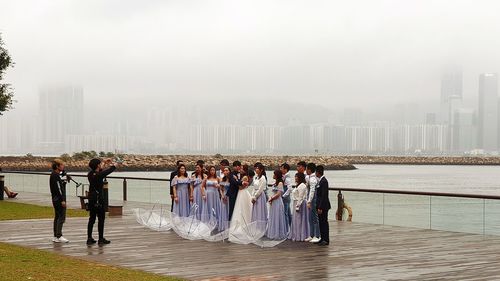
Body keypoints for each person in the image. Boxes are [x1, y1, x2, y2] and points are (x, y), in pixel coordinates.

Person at [87, 158, 118, 245]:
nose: (101, 165)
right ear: (97, 165)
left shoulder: (90, 174)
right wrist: (114, 166)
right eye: (100, 164)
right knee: (101, 219)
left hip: (91, 199)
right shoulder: (98, 175)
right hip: (98, 200)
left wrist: (104, 162)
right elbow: (105, 172)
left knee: (91, 219)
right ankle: (101, 239)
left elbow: (100, 171)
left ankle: (89, 238)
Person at [50, 159, 69, 243]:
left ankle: (56, 236)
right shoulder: (55, 175)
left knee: (57, 217)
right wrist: (62, 200)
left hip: (55, 199)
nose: (63, 166)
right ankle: (59, 235)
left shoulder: (54, 174)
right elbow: (58, 189)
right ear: (57, 166)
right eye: (61, 165)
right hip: (58, 199)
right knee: (61, 217)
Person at [266, 169, 288, 240]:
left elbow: (279, 194)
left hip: (277, 201)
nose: (273, 175)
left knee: (277, 216)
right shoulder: (275, 182)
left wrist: (272, 198)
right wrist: (271, 198)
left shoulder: (280, 183)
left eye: (274, 174)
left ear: (277, 175)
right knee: (273, 216)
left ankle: (278, 233)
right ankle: (273, 232)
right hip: (273, 201)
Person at [288, 172, 309, 241]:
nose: (295, 178)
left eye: (297, 176)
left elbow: (301, 197)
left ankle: (300, 235)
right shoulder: (298, 185)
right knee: (296, 219)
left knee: (299, 219)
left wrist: (298, 206)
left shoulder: (302, 185)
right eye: (295, 176)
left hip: (300, 203)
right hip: (295, 202)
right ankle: (295, 234)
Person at [315, 165, 331, 246]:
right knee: (321, 222)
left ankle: (326, 239)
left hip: (323, 206)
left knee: (324, 222)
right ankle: (322, 238)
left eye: (316, 172)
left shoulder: (324, 181)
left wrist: (320, 207)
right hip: (319, 205)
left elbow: (324, 196)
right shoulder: (320, 181)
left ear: (318, 172)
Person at [305, 163, 320, 243]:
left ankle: (317, 235)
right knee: (310, 218)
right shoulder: (309, 178)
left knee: (315, 218)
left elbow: (312, 191)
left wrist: (309, 201)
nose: (306, 171)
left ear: (310, 170)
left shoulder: (313, 179)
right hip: (310, 199)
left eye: (307, 169)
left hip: (313, 200)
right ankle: (311, 235)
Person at [218, 167, 231, 231]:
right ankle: (223, 226)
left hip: (229, 196)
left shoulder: (231, 179)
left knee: (229, 210)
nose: (225, 171)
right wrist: (222, 195)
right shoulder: (222, 179)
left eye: (227, 170)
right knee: (223, 210)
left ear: (229, 171)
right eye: (224, 170)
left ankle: (229, 226)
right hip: (223, 197)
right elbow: (221, 188)